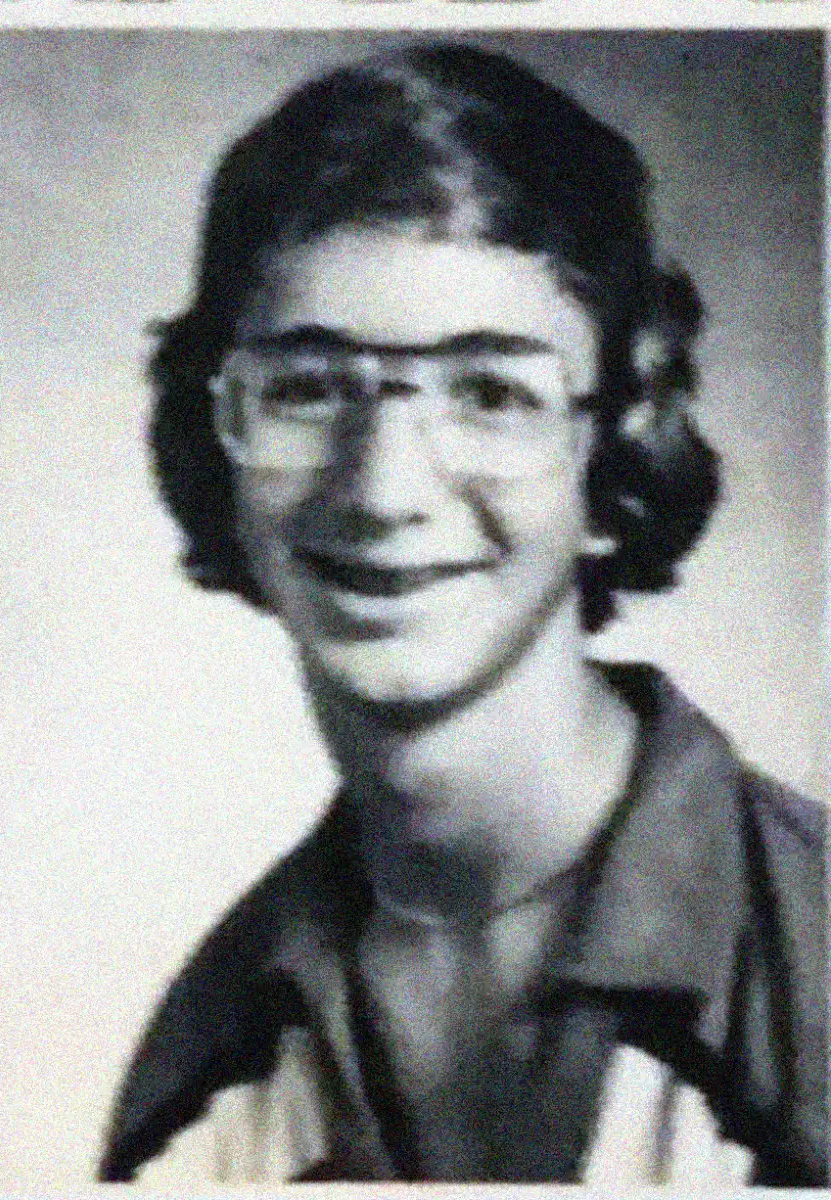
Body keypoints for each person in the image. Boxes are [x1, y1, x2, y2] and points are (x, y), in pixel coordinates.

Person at [98, 42, 827, 1186]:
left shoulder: (814, 953)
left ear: (615, 449)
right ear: (217, 442)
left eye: (491, 392)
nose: (383, 490)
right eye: (303, 386)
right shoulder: (209, 1057)